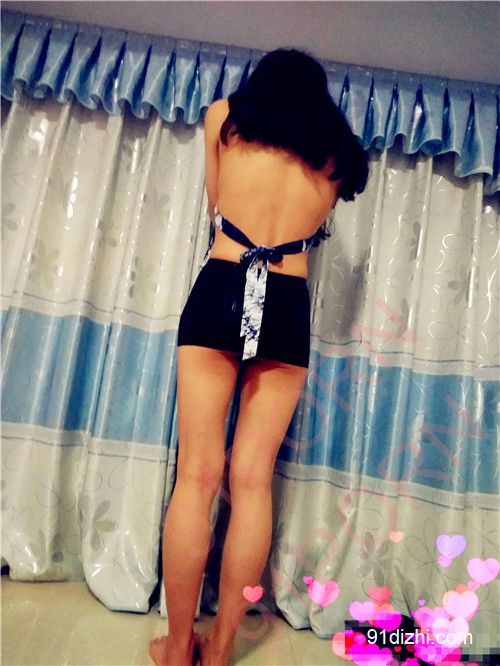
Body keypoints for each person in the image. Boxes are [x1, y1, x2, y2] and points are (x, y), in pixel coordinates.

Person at [149, 47, 369, 666]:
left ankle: (177, 647)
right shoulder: (335, 151)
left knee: (197, 475)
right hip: (287, 302)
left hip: (223, 283)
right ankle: (221, 648)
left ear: (262, 82)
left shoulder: (225, 117)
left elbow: (216, 207)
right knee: (252, 482)